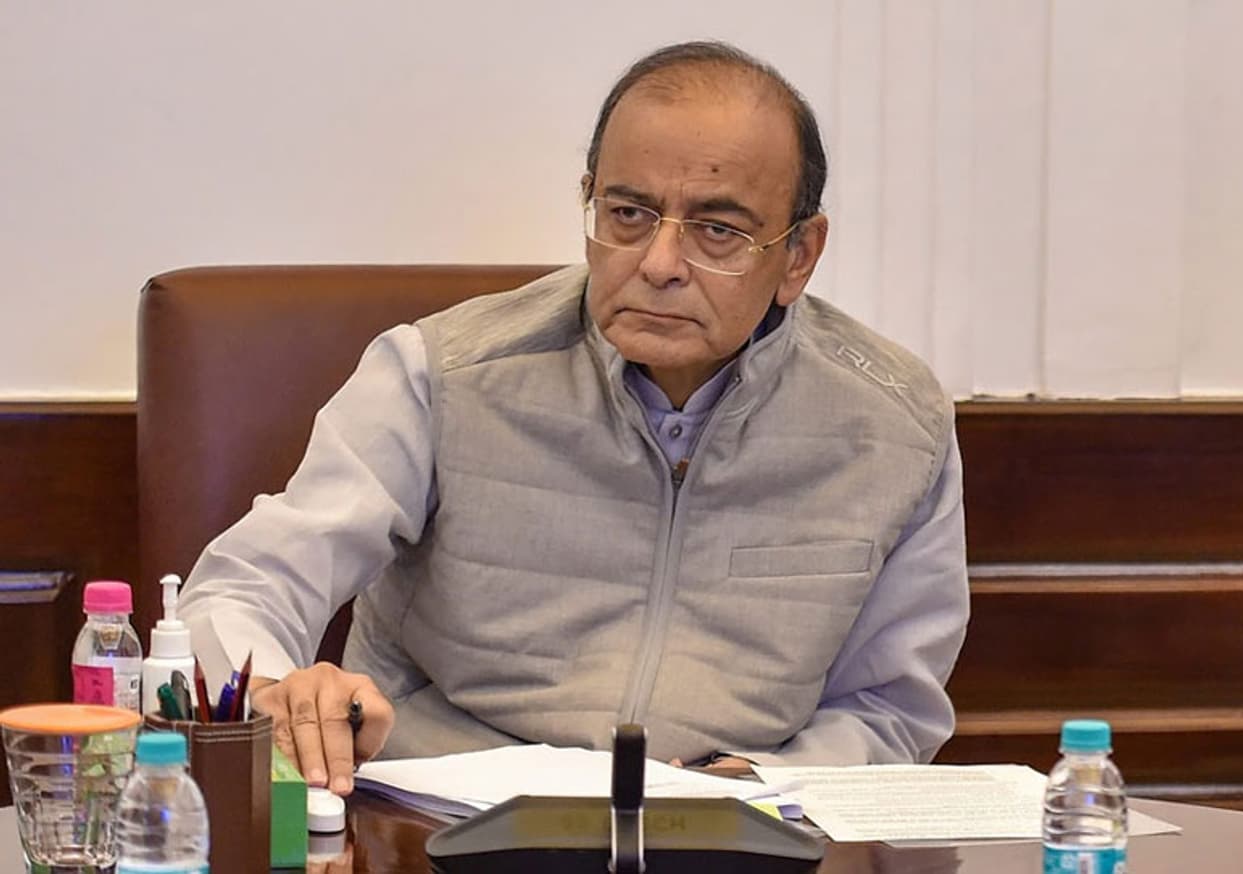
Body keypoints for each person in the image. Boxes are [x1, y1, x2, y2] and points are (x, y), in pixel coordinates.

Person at [177, 40, 969, 797]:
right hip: (439, 824)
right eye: (628, 213)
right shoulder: (443, 375)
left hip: (741, 829)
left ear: (798, 255)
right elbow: (247, 586)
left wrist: (764, 785)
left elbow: (888, 707)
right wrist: (276, 691)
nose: (659, 264)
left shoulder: (893, 425)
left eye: (718, 230)